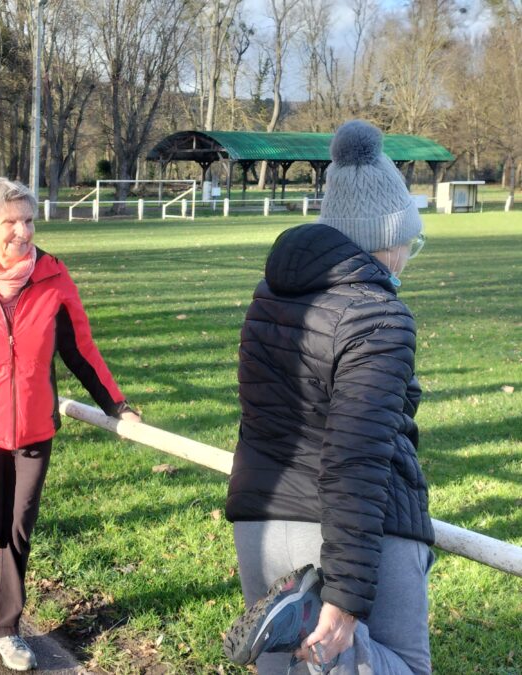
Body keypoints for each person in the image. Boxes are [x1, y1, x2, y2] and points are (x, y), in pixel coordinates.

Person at [223, 120, 434, 675]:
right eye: (408, 240)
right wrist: (342, 597)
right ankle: (306, 616)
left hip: (262, 519)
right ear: (382, 239)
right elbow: (356, 458)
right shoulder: (379, 316)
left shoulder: (268, 296)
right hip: (350, 531)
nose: (409, 254)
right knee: (398, 664)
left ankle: (294, 621)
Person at [0, 177, 140, 672]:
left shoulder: (54, 278)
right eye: (11, 222)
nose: (22, 231)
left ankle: (3, 629)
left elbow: (81, 350)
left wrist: (116, 403)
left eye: (28, 220)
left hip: (35, 429)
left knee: (17, 533)